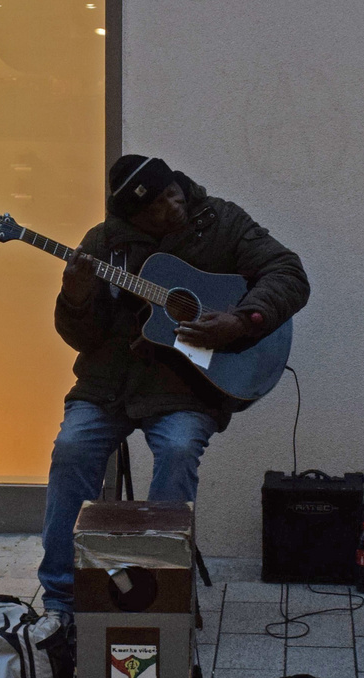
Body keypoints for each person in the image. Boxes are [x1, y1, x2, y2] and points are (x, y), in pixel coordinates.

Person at [37, 154, 309, 624]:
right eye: (157, 206)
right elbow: (82, 338)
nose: (172, 207)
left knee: (179, 447)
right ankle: (61, 599)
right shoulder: (105, 243)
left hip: (184, 389)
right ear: (134, 218)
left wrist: (243, 321)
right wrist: (76, 297)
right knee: (72, 447)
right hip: (109, 385)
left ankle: (159, 587)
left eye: (171, 193)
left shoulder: (220, 221)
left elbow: (288, 273)